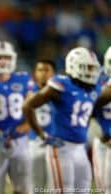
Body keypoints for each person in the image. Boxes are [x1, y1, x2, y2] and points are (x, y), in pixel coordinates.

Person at [23, 47, 101, 192]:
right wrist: (42, 134)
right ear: (74, 66)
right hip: (61, 147)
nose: (91, 72)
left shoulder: (94, 88)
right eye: (87, 68)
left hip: (80, 148)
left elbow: (89, 114)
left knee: (83, 190)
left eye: (93, 68)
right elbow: (28, 106)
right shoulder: (61, 83)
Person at [0, 40, 34, 194]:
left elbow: (31, 111)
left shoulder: (24, 78)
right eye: (0, 57)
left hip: (21, 140)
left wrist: (23, 128)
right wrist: (0, 134)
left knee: (24, 187)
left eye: (7, 57)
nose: (3, 61)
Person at [28, 59, 56, 193]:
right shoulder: (27, 91)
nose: (43, 73)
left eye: (47, 70)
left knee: (55, 187)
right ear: (35, 73)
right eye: (40, 70)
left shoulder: (59, 92)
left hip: (55, 142)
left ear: (53, 73)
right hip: (34, 142)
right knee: (34, 187)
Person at [92, 46, 111, 194]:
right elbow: (88, 109)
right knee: (102, 188)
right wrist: (98, 132)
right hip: (102, 137)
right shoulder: (95, 80)